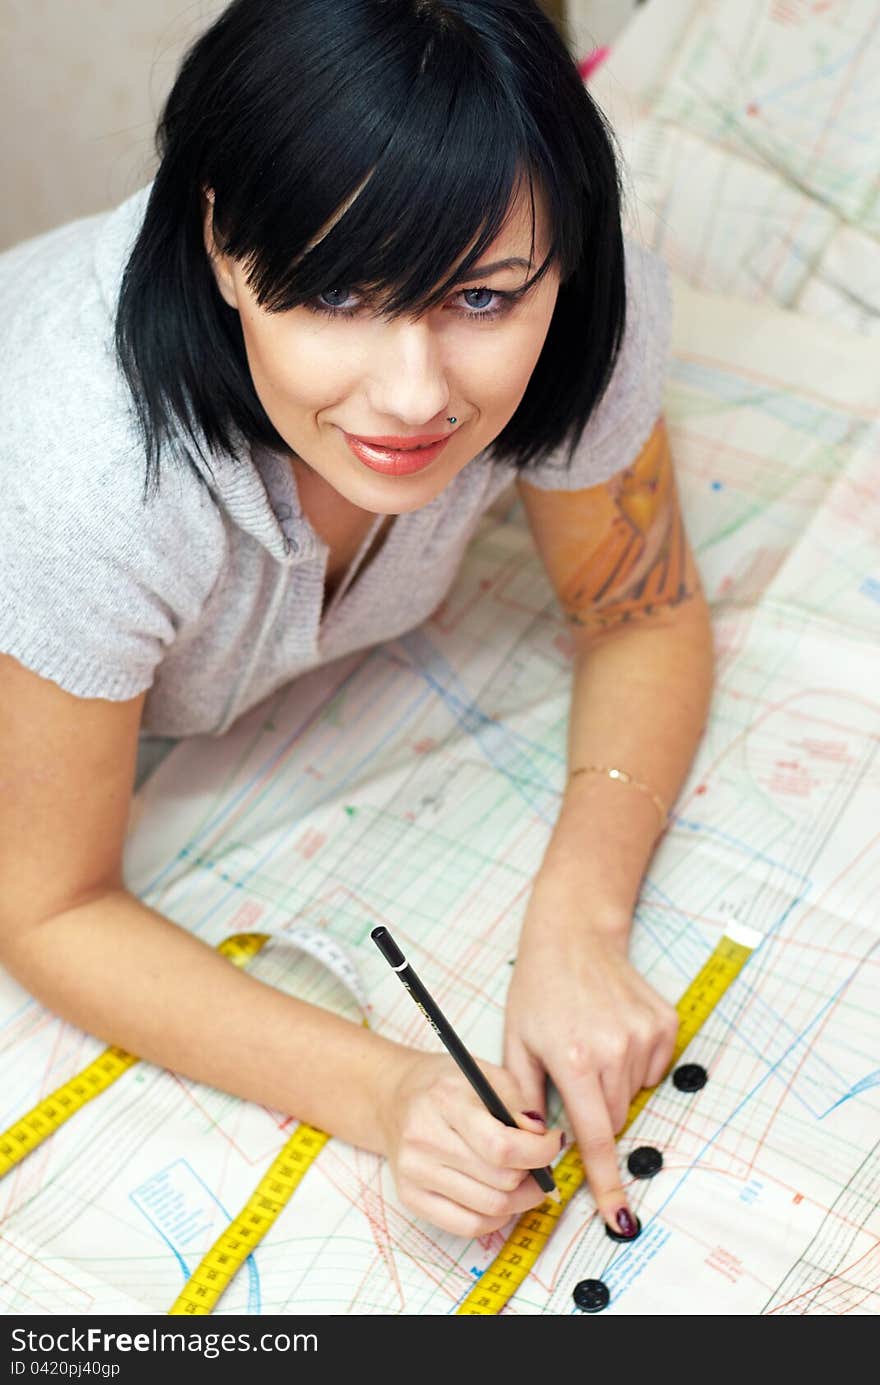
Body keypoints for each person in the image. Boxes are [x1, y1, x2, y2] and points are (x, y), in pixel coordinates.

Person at [0, 0, 713, 1245]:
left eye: (483, 300)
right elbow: (46, 905)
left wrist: (579, 920)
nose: (412, 395)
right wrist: (385, 1090)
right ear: (223, 240)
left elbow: (637, 607)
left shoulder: (589, 313)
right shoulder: (85, 474)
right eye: (336, 288)